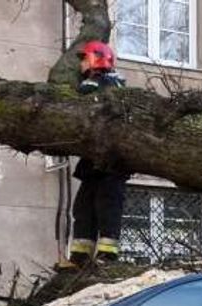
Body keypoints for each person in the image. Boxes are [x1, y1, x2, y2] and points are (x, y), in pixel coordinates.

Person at [68, 41, 129, 266]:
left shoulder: (103, 84)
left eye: (84, 58)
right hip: (94, 162)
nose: (81, 64)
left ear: (96, 59)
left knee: (107, 206)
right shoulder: (105, 84)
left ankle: (107, 254)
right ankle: (80, 255)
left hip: (111, 163)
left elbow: (83, 97)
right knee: (83, 207)